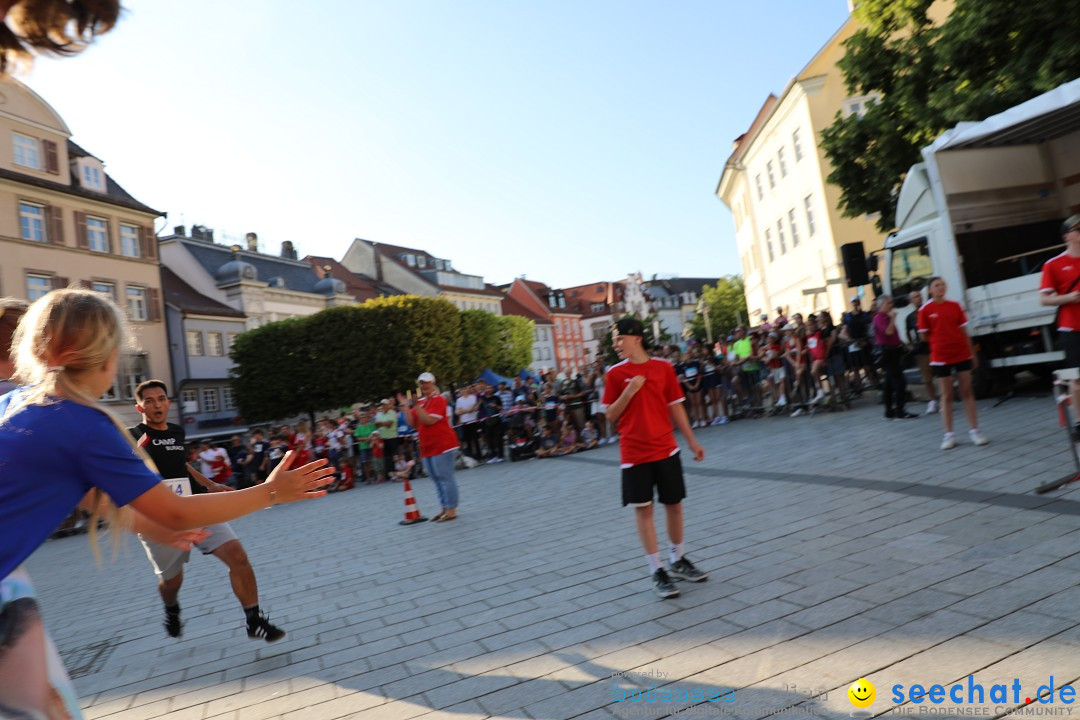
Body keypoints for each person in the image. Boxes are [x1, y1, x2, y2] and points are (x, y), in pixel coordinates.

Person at [0, 289, 333, 720]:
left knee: (47, 704)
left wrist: (151, 528)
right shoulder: (83, 422)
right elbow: (175, 510)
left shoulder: (16, 403)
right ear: (108, 358)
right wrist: (271, 492)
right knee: (45, 706)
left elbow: (89, 493)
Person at [130, 381, 286, 641]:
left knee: (237, 555)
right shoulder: (133, 436)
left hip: (195, 506)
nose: (156, 404)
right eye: (149, 400)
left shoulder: (178, 432)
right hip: (159, 518)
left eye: (161, 398)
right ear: (139, 406)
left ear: (168, 402)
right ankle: (171, 607)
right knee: (172, 582)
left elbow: (183, 465)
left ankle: (254, 620)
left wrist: (210, 484)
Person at [602, 317, 707, 600]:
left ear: (636, 338)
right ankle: (656, 569)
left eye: (619, 339)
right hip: (634, 453)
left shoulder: (663, 368)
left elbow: (677, 408)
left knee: (674, 506)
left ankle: (678, 559)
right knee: (644, 510)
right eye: (614, 340)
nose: (616, 344)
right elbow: (610, 415)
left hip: (666, 449)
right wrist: (628, 392)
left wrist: (693, 441)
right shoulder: (614, 374)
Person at [918, 277, 988, 449]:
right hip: (941, 356)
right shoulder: (924, 310)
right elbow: (923, 335)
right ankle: (949, 435)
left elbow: (964, 331)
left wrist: (972, 353)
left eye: (942, 284)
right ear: (930, 290)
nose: (941, 287)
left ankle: (975, 431)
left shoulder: (954, 305)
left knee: (967, 390)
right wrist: (940, 341)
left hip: (961, 353)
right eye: (936, 285)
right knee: (947, 394)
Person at [398, 372, 459, 522]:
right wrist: (406, 408)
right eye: (421, 383)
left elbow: (429, 420)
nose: (424, 385)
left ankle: (451, 509)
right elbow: (413, 424)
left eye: (426, 382)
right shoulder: (423, 402)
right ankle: (444, 508)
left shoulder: (439, 400)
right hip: (427, 447)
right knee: (436, 479)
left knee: (445, 478)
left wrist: (417, 406)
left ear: (433, 383)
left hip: (443, 445)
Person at [1040, 215, 1080, 433]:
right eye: (1077, 229)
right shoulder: (1053, 264)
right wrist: (1069, 298)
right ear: (1067, 236)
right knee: (1077, 376)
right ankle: (1079, 421)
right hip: (1071, 327)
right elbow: (1044, 298)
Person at [873, 296, 917, 420]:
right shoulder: (880, 317)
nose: (891, 305)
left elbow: (893, 335)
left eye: (891, 303)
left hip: (894, 350)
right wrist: (893, 318)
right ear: (881, 305)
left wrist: (902, 343)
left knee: (888, 382)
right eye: (888, 303)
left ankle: (889, 410)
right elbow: (888, 332)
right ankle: (900, 410)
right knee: (899, 382)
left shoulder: (886, 316)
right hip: (888, 352)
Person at [905, 289, 939, 414]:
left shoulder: (929, 310)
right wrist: (911, 345)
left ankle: (944, 398)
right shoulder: (910, 317)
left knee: (941, 375)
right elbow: (908, 331)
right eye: (915, 297)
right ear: (910, 301)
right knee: (927, 377)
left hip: (934, 346)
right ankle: (932, 401)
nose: (918, 298)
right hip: (921, 350)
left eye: (919, 296)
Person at [455, 383, 482, 461]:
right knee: (467, 440)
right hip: (464, 423)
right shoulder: (459, 400)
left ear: (467, 389)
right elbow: (457, 412)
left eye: (464, 389)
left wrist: (462, 410)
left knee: (475, 439)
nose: (463, 391)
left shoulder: (472, 397)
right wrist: (465, 411)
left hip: (472, 421)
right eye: (462, 390)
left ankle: (479, 456)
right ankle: (471, 457)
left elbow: (472, 409)